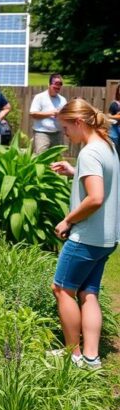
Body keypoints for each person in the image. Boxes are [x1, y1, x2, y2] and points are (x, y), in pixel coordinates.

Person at [48, 99, 119, 370]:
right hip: (107, 237)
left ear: (79, 123)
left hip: (86, 237)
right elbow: (103, 180)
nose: (65, 134)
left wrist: (67, 220)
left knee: (62, 289)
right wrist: (74, 172)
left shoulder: (89, 152)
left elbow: (96, 197)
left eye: (66, 128)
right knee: (88, 293)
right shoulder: (107, 146)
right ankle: (91, 358)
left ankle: (73, 355)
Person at [29, 73, 67, 154]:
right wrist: (50, 113)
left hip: (57, 133)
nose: (57, 88)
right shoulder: (40, 97)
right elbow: (32, 113)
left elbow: (66, 115)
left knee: (56, 158)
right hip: (42, 133)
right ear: (49, 84)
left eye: (59, 87)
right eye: (55, 86)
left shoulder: (62, 100)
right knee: (41, 157)